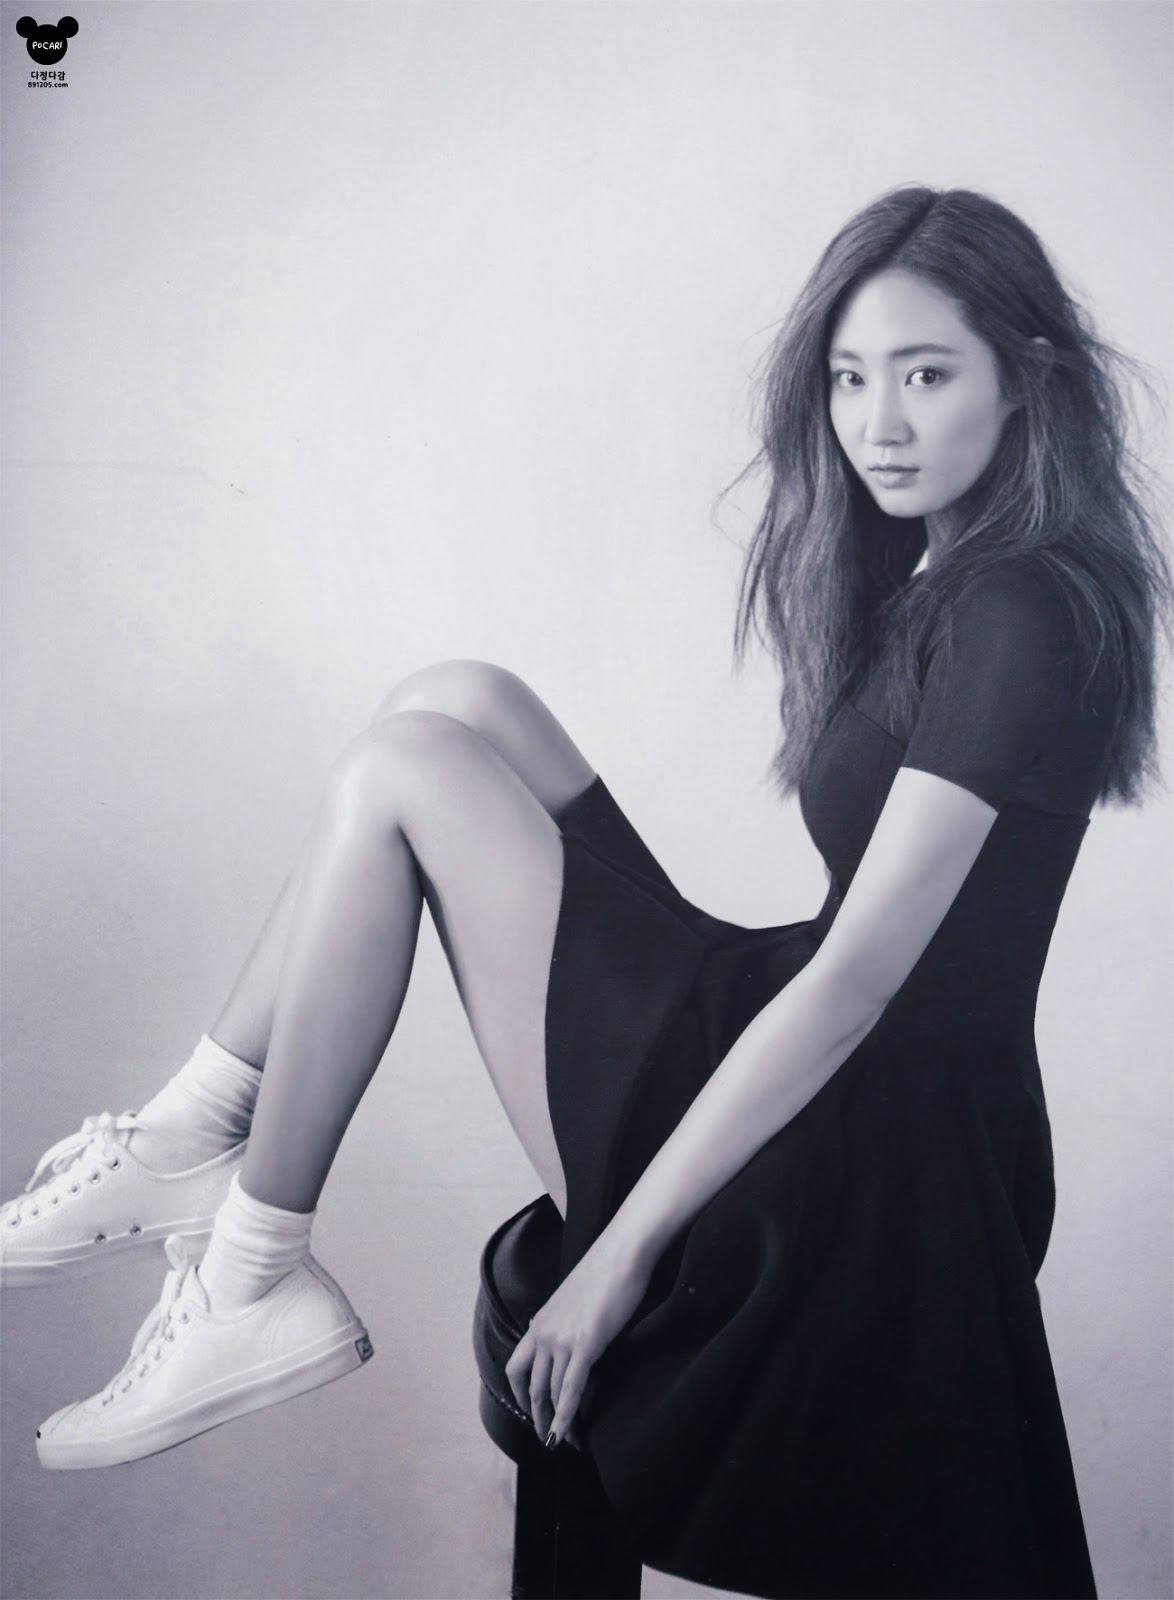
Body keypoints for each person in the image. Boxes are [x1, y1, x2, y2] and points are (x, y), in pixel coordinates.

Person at [2, 184, 1169, 1600]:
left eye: (927, 376)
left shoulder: (1019, 608)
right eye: (850, 378)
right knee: (458, 699)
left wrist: (617, 1257)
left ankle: (250, 1269)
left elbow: (860, 983)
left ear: (1025, 378)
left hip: (874, 1158)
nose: (879, 422)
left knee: (405, 769)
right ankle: (191, 1132)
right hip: (833, 1070)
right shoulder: (954, 584)